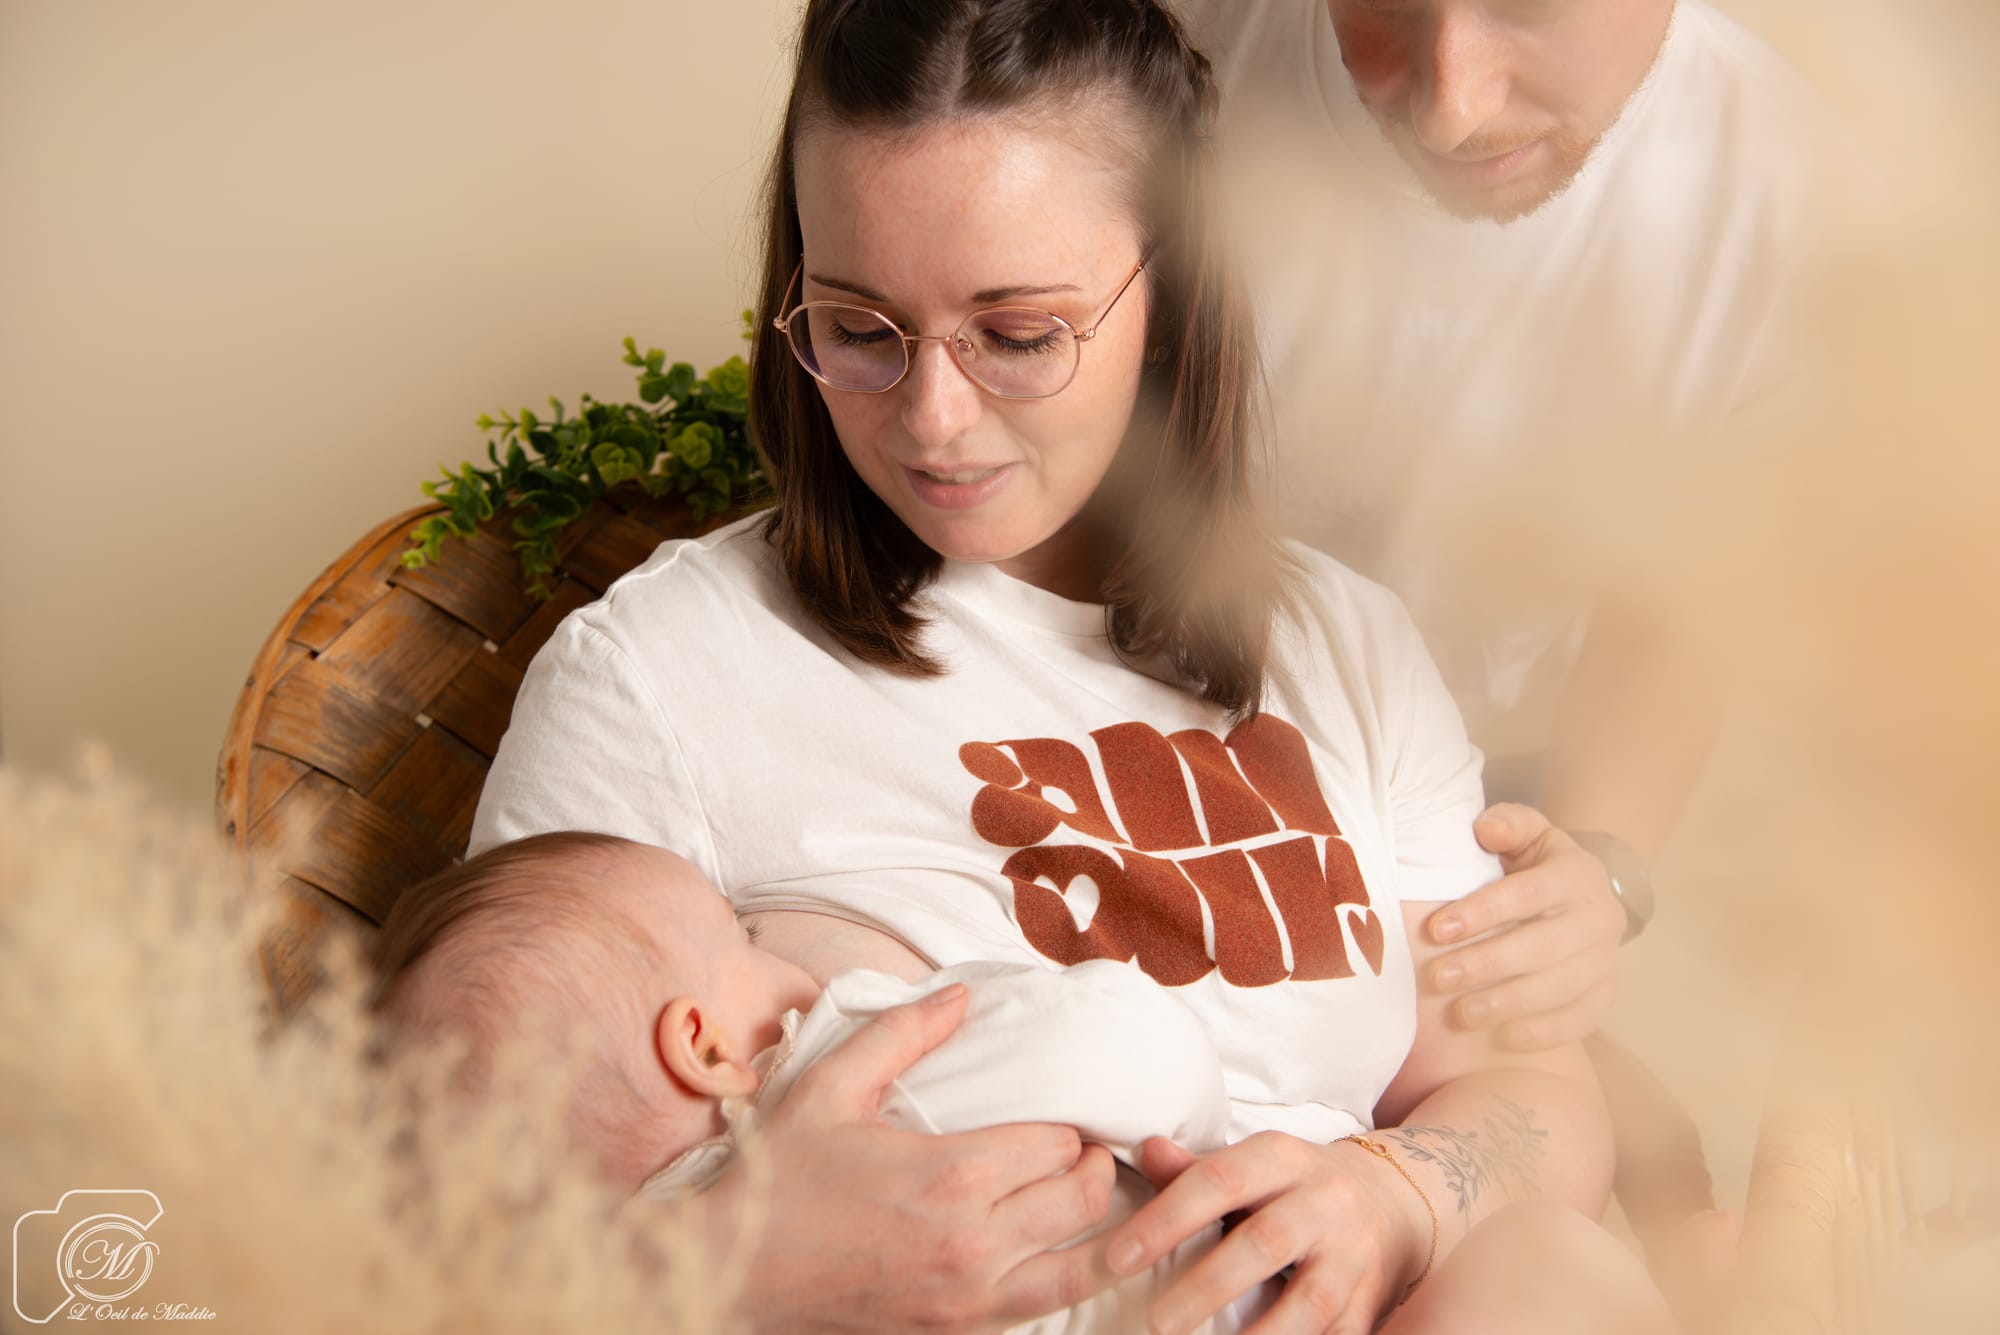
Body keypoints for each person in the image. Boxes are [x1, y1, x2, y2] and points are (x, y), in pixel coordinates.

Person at [470, 1, 1669, 1330]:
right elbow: (463, 1238)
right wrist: (723, 1255)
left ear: (1174, 287)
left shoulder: (1345, 648)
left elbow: (1537, 1099)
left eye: (1021, 333)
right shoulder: (661, 676)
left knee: (1557, 1276)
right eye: (860, 328)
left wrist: (1399, 1190)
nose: (931, 418)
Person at [1171, 0, 1841, 1052]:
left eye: (1526, 9)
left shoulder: (1799, 205)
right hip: (1141, 708)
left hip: (1484, 793)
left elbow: (1680, 605)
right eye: (1384, 9)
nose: (1449, 110)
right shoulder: (1167, 48)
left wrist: (1588, 870)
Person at [370, 831, 1243, 1334]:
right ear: (705, 1049)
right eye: (740, 937)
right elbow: (1138, 1042)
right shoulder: (867, 1084)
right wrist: (1213, 1130)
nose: (774, 950)